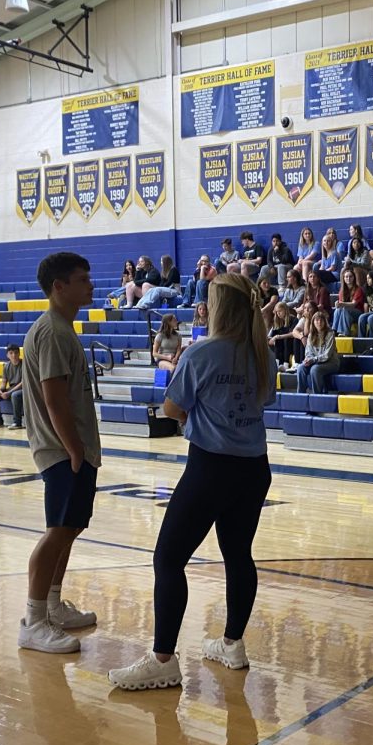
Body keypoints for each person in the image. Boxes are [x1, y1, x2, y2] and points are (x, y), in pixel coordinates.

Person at [108, 273, 277, 689]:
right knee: (238, 555)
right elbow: (263, 400)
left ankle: (163, 658)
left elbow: (170, 408)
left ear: (217, 308)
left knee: (168, 559)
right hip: (254, 468)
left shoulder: (201, 353)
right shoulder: (262, 354)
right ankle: (232, 644)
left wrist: (195, 414)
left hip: (210, 469)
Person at [19, 252, 100, 654]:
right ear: (59, 286)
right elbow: (54, 400)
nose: (91, 285)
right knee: (57, 532)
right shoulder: (52, 331)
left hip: (71, 449)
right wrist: (73, 450)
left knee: (69, 528)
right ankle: (33, 620)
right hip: (60, 450)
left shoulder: (62, 328)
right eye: (82, 279)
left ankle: (51, 606)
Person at [297, 311, 339, 394]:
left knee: (314, 369)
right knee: (300, 368)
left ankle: (317, 395)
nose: (319, 322)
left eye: (321, 320)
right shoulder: (310, 335)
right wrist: (308, 359)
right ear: (313, 322)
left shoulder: (330, 334)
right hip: (315, 361)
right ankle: (300, 394)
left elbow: (327, 355)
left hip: (331, 363)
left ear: (324, 322)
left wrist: (313, 360)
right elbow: (308, 352)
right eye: (316, 320)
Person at [0, 344, 24, 429]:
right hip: (11, 388)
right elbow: (3, 382)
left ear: (19, 354)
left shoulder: (24, 364)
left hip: (24, 389)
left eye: (15, 353)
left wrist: (9, 392)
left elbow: (23, 383)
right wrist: (0, 390)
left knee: (15, 395)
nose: (13, 355)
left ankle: (17, 423)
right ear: (7, 355)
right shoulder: (6, 366)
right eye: (11, 353)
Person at [330, 266, 365, 336]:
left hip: (358, 312)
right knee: (338, 310)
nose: (348, 278)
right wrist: (338, 304)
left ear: (354, 278)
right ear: (344, 278)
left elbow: (353, 304)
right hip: (346, 313)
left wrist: (342, 304)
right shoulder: (342, 290)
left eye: (350, 276)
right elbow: (340, 305)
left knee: (345, 309)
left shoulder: (358, 289)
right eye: (346, 277)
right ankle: (334, 331)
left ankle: (345, 333)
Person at [268, 301, 300, 367]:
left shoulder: (294, 319)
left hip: (292, 343)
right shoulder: (277, 321)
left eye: (280, 311)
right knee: (277, 341)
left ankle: (286, 364)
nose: (278, 313)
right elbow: (271, 336)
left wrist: (278, 337)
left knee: (286, 339)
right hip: (280, 345)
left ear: (285, 310)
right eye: (276, 312)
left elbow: (293, 334)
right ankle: (277, 363)